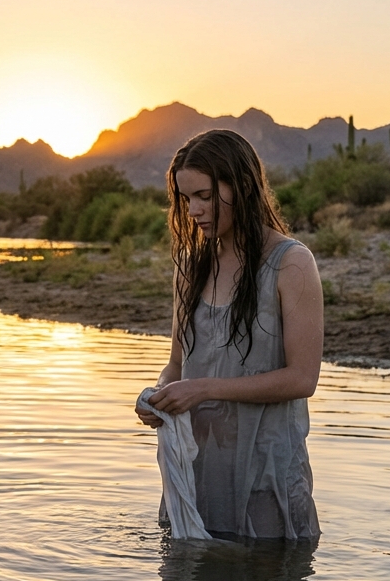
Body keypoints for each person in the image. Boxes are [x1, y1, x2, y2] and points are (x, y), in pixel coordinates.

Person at [135, 129, 322, 539]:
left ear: (240, 186)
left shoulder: (291, 264)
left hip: (266, 473)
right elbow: (176, 365)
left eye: (204, 196)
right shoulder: (190, 267)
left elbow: (302, 378)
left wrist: (202, 389)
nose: (194, 211)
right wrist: (159, 395)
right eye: (186, 200)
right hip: (197, 474)